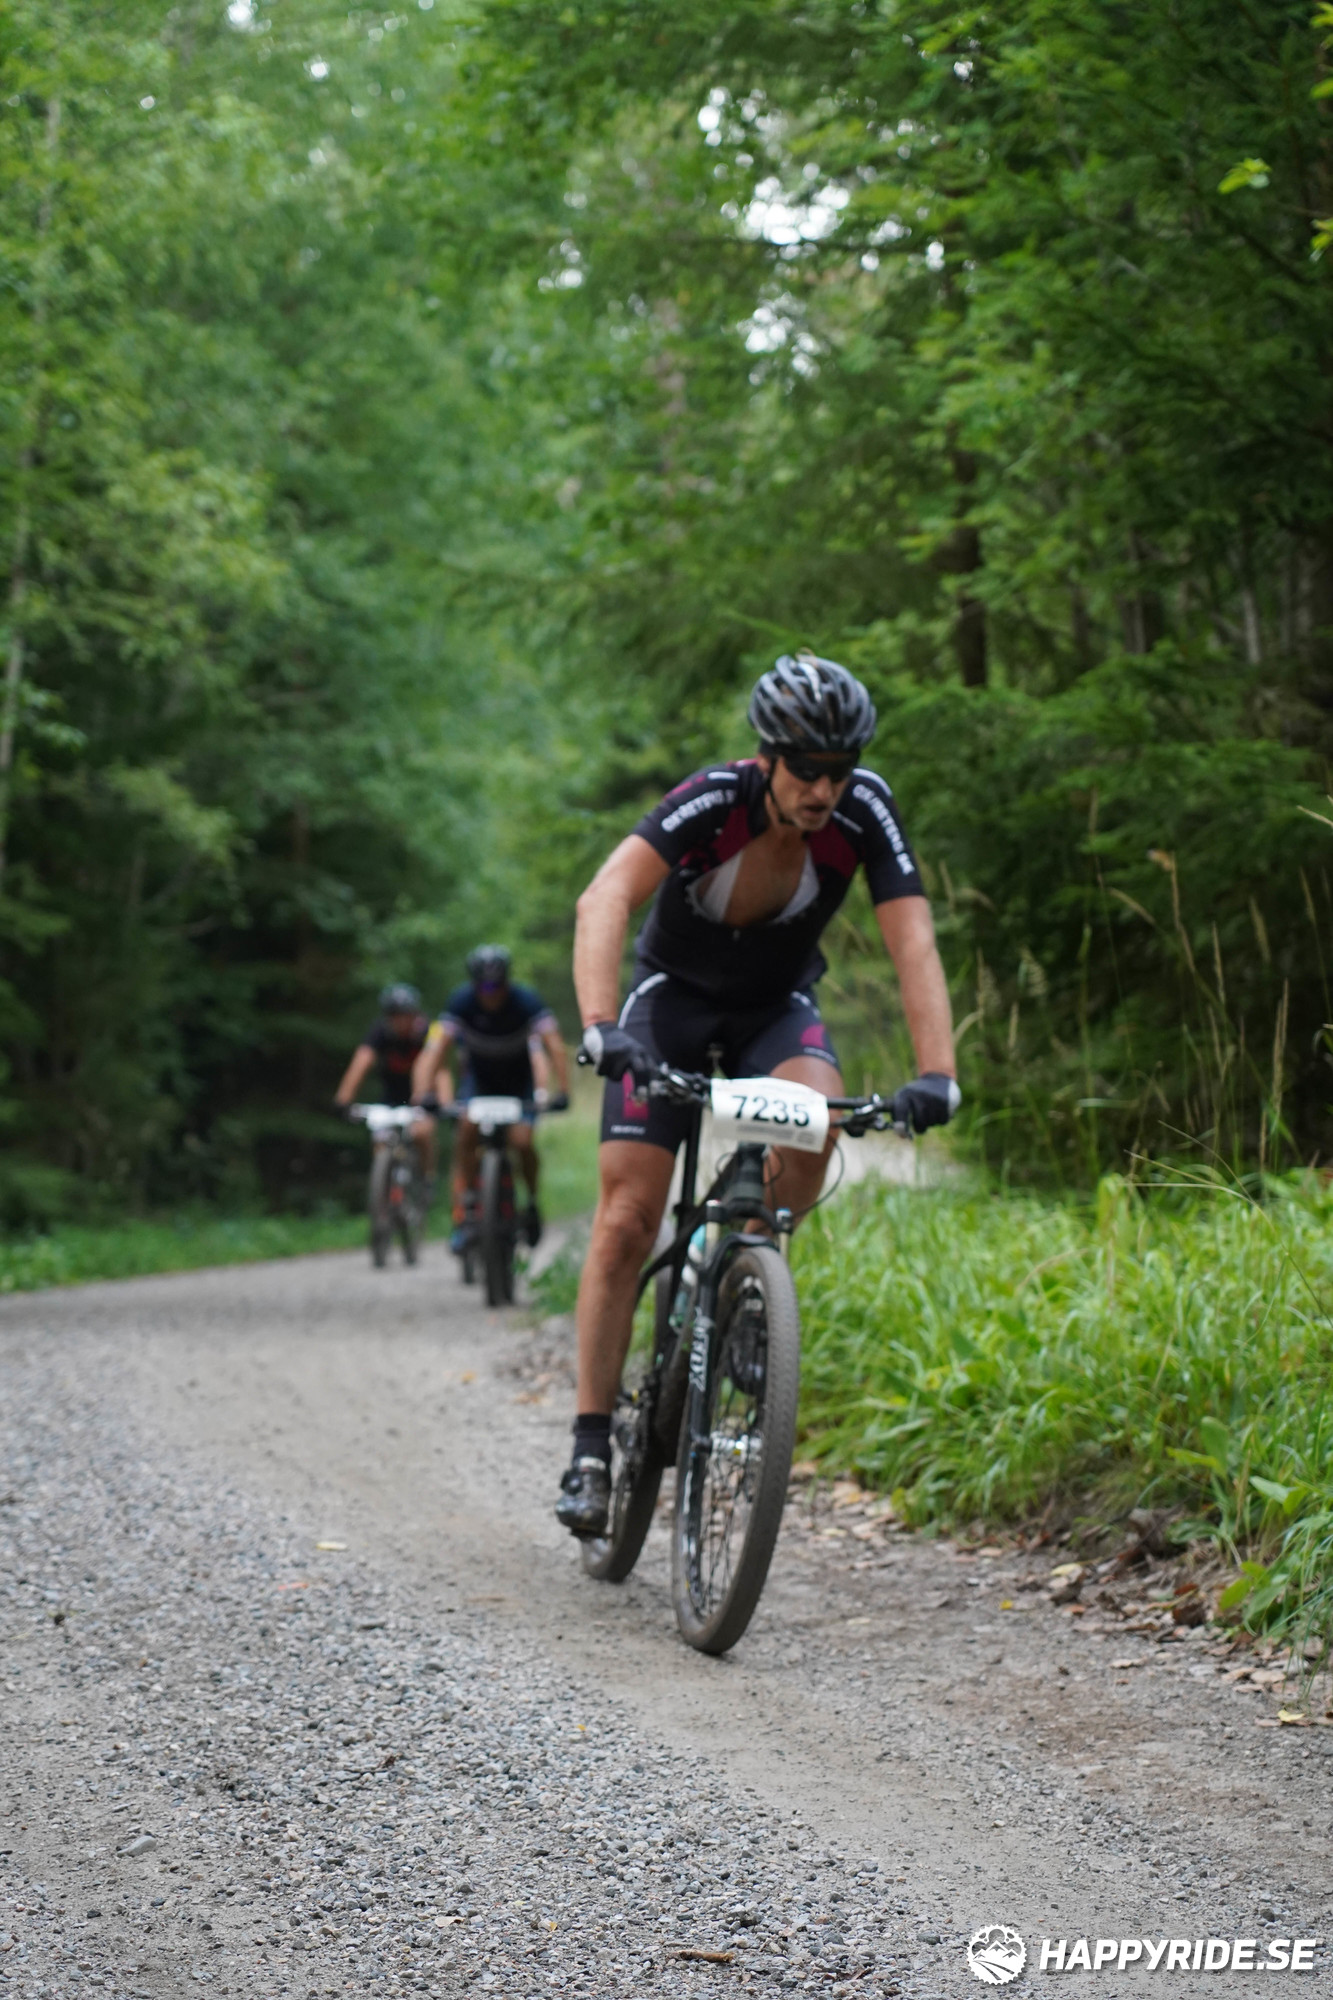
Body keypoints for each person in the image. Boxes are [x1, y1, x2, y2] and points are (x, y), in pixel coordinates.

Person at [556, 650, 959, 1535]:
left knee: (818, 1125)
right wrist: (599, 1025)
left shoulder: (864, 810)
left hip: (774, 1009)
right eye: (806, 770)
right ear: (768, 756)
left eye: (839, 770)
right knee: (626, 1219)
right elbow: (604, 898)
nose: (824, 790)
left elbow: (913, 942)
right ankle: (589, 1447)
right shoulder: (713, 799)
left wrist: (937, 1074)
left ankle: (743, 1267)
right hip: (669, 1003)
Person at [412, 945, 570, 1253]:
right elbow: (435, 1049)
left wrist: (562, 1091)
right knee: (466, 1134)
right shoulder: (460, 1001)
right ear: (474, 985)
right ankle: (465, 1210)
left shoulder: (526, 1000)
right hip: (479, 1083)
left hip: (518, 1083)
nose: (491, 994)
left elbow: (554, 1044)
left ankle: (532, 1201)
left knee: (522, 1142)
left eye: (497, 986)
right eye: (484, 987)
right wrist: (424, 1093)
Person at [333, 982, 436, 1178]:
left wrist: (434, 1100)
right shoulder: (380, 1031)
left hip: (423, 1094)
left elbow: (438, 1069)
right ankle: (383, 1184)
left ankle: (427, 1178)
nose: (400, 1021)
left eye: (405, 1015)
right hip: (391, 1095)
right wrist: (343, 1099)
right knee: (380, 1137)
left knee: (422, 1133)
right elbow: (361, 1062)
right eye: (394, 1016)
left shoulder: (428, 1031)